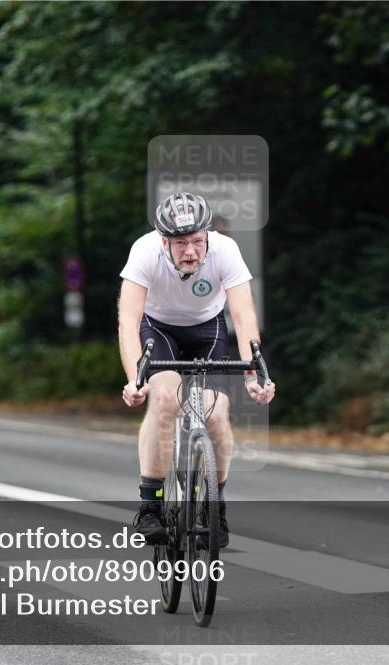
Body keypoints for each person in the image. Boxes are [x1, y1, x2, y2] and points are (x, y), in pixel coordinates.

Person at [117, 192, 275, 548]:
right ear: (164, 242)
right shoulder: (144, 251)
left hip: (207, 331)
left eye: (197, 242)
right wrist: (134, 378)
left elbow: (244, 315)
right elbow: (129, 320)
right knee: (163, 403)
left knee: (217, 416)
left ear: (208, 236)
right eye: (180, 243)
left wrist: (254, 375)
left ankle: (214, 508)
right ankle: (149, 507)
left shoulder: (226, 250)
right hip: (158, 330)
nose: (190, 251)